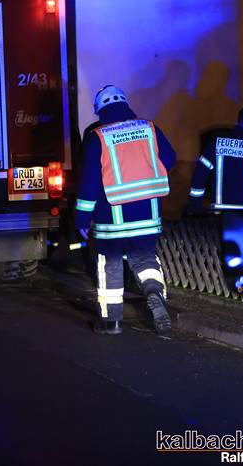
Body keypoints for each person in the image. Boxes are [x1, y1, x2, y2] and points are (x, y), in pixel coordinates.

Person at [75, 85, 176, 335]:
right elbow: (170, 158)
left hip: (111, 218)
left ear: (100, 110)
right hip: (148, 214)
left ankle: (112, 322)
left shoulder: (98, 136)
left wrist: (82, 218)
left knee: (109, 264)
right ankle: (153, 293)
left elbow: (89, 182)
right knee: (145, 260)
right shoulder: (149, 128)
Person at [187, 108, 243, 213]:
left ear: (238, 121)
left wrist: (195, 205)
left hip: (220, 209)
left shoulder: (216, 143)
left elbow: (200, 175)